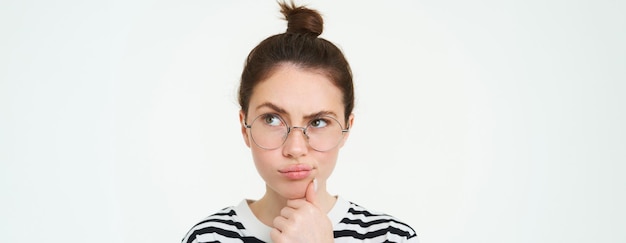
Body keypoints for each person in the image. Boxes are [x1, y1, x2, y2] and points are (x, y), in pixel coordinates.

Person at [182, 1, 419, 242]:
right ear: (245, 127)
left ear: (347, 128)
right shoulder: (206, 238)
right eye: (272, 119)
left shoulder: (393, 237)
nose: (295, 148)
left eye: (318, 122)